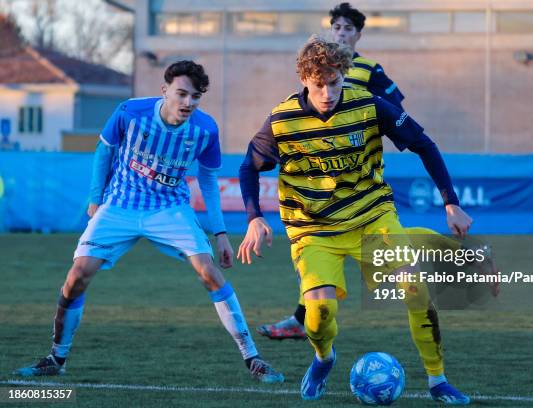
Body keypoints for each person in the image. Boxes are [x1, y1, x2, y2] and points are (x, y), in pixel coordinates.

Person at [13, 60, 284, 384]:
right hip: (120, 204)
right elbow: (104, 151)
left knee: (209, 272)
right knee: (77, 275)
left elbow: (209, 182)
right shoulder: (130, 112)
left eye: (195, 97)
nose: (188, 103)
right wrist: (96, 198)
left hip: (169, 209)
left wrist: (222, 234)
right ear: (165, 90)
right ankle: (56, 357)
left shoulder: (205, 130)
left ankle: (252, 358)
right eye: (181, 94)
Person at [238, 36, 471, 404]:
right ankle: (323, 358)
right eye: (319, 85)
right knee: (318, 314)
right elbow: (249, 168)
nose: (328, 92)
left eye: (335, 82)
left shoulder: (370, 106)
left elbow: (424, 144)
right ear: (304, 80)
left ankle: (437, 380)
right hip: (314, 230)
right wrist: (254, 217)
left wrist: (451, 203)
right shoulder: (282, 120)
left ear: (344, 75)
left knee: (418, 294)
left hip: (371, 218)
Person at [255, 2, 487, 342]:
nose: (342, 33)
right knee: (324, 253)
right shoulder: (312, 78)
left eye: (348, 29)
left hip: (357, 172)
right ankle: (304, 317)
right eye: (337, 27)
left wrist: (364, 130)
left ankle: (302, 318)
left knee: (385, 257)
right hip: (322, 180)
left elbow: (398, 114)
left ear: (358, 35)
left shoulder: (370, 71)